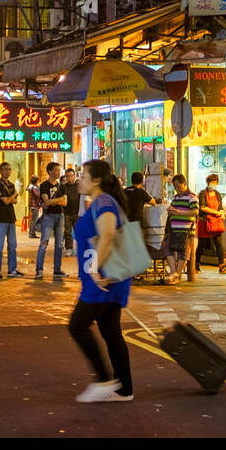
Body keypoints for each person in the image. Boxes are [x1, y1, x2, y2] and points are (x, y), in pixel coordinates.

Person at [68, 159, 134, 402]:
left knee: (77, 325)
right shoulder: (97, 202)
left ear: (96, 180)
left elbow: (107, 236)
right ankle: (124, 389)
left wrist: (94, 269)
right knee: (111, 332)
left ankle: (105, 380)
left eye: (83, 176)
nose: (79, 179)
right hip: (104, 280)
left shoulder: (104, 202)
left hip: (103, 281)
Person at [164, 174, 199, 284]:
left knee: (182, 253)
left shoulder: (192, 197)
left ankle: (176, 276)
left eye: (179, 187)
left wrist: (179, 212)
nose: (177, 189)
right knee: (167, 249)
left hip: (186, 229)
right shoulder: (174, 197)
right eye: (175, 187)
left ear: (184, 184)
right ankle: (174, 273)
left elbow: (195, 212)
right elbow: (173, 210)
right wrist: (171, 211)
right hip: (174, 229)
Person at [36, 161, 68, 279]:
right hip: (48, 216)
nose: (58, 172)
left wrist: (52, 201)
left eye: (59, 170)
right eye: (56, 170)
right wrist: (57, 200)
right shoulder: (44, 185)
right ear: (50, 171)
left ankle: (57, 269)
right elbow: (47, 202)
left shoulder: (62, 186)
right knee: (44, 242)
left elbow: (64, 202)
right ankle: (39, 269)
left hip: (60, 216)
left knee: (59, 244)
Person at [0, 162, 24, 278]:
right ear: (0, 171)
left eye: (9, 169)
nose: (8, 171)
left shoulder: (10, 184)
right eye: (5, 169)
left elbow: (14, 201)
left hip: (11, 218)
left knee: (13, 245)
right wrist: (14, 194)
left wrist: (10, 198)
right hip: (1, 219)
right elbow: (6, 201)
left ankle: (12, 270)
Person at [198, 173, 226, 274]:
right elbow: (202, 207)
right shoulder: (202, 193)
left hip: (216, 223)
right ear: (208, 183)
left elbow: (220, 207)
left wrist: (222, 213)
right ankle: (196, 265)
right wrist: (216, 213)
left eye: (216, 183)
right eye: (212, 182)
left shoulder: (218, 194)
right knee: (201, 244)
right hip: (205, 222)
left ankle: (222, 265)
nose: (214, 184)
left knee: (219, 244)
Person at [62, 168, 80, 256]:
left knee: (79, 231)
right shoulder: (63, 187)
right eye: (67, 176)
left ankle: (80, 248)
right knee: (67, 232)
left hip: (77, 213)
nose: (69, 178)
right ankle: (69, 249)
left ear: (74, 176)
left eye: (71, 176)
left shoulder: (79, 186)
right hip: (67, 213)